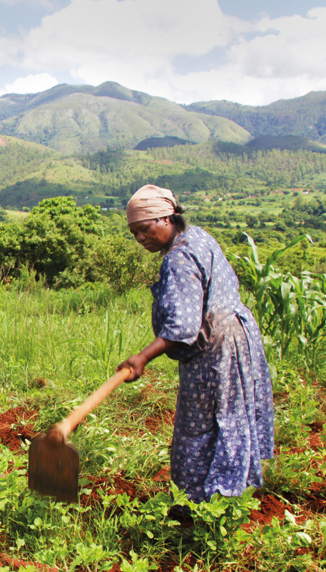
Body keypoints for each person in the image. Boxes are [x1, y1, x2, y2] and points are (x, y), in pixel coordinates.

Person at [117, 184, 274, 504]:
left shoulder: (179, 260)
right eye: (134, 233)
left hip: (212, 353)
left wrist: (142, 357)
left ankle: (195, 506)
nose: (141, 239)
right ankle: (229, 497)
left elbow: (183, 327)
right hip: (235, 337)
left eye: (145, 229)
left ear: (166, 218)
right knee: (230, 420)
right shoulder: (198, 236)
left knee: (197, 431)